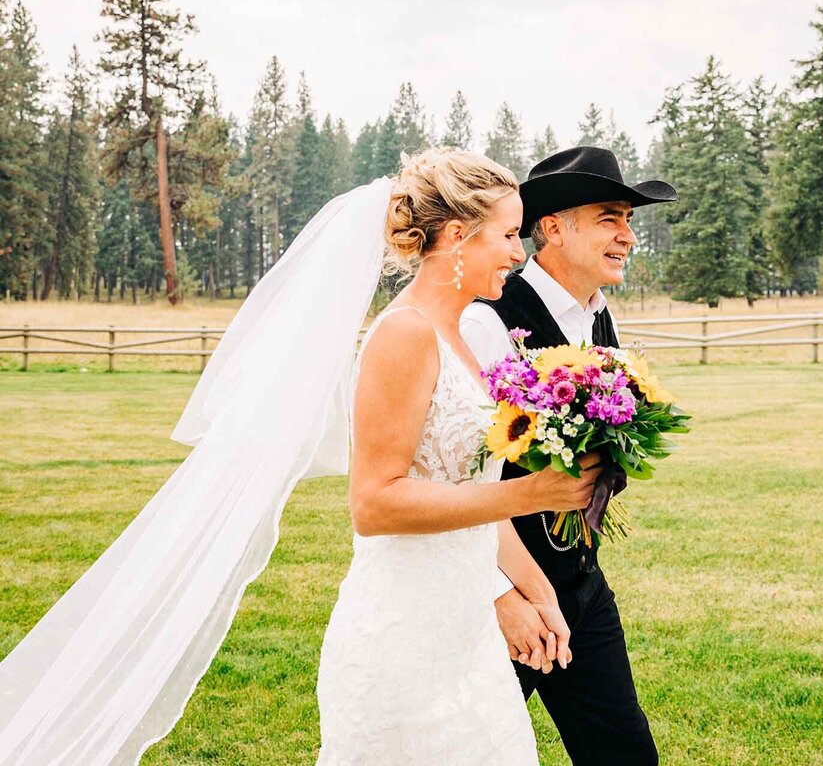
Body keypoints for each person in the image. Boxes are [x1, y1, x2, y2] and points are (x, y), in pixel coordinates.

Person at [0, 149, 595, 766]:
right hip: (404, 641)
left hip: (464, 634)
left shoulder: (459, 336)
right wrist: (532, 494)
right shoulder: (404, 334)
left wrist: (536, 590)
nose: (516, 253)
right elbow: (374, 502)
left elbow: (467, 489)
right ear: (454, 237)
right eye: (504, 235)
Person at [461, 146, 678, 766]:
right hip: (503, 592)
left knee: (623, 751)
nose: (628, 236)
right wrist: (499, 593)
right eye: (611, 217)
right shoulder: (490, 325)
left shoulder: (598, 317)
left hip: (580, 581)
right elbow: (454, 475)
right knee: (471, 748)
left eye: (629, 221)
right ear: (553, 227)